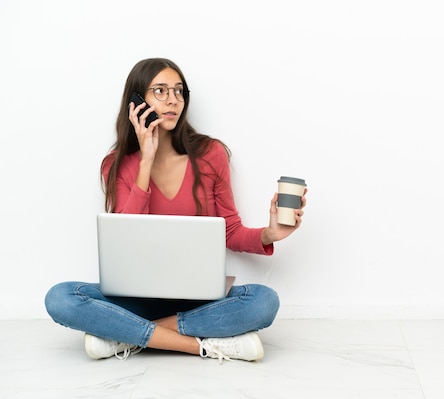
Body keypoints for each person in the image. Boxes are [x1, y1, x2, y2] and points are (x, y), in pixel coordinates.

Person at [44, 58, 306, 363]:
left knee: (263, 302)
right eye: (160, 90)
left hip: (198, 302)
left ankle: (125, 336)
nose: (173, 100)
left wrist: (270, 233)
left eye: (179, 91)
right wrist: (146, 159)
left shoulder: (211, 154)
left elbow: (229, 231)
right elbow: (126, 238)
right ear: (136, 102)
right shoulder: (116, 165)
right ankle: (206, 346)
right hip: (135, 298)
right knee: (60, 298)